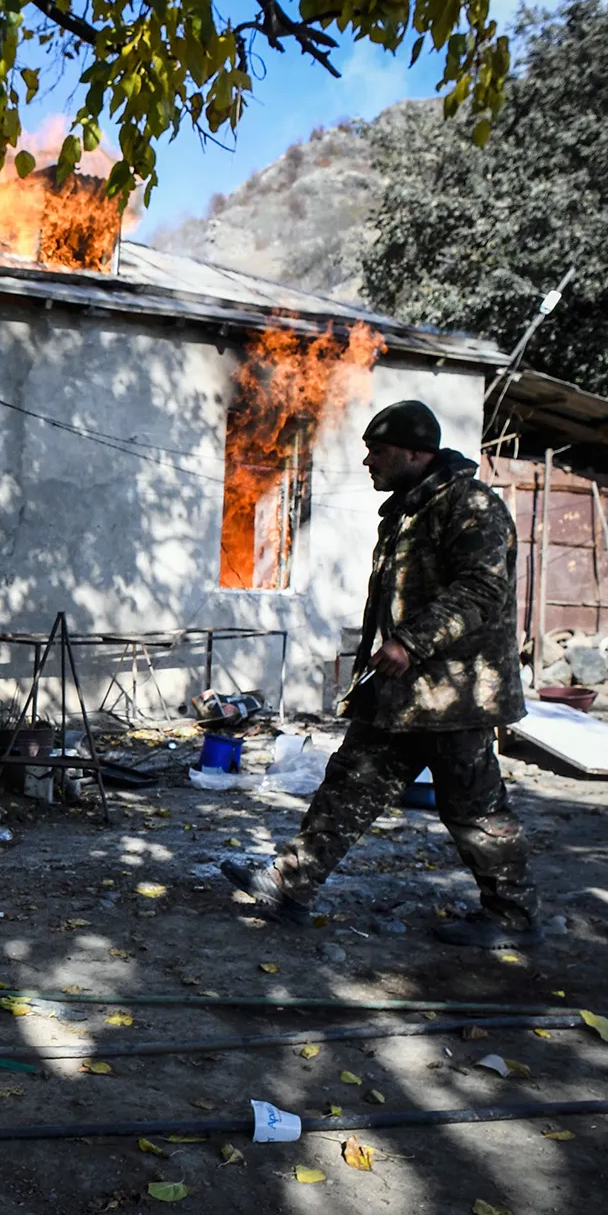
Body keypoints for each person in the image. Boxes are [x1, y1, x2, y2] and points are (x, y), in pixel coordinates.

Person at [223, 400, 539, 949]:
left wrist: (411, 643)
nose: (368, 460)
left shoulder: (471, 506)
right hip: (405, 692)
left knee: (474, 808)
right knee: (349, 784)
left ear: (418, 453)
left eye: (379, 450)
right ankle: (290, 885)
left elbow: (482, 589)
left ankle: (511, 914)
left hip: (456, 693)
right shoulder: (409, 508)